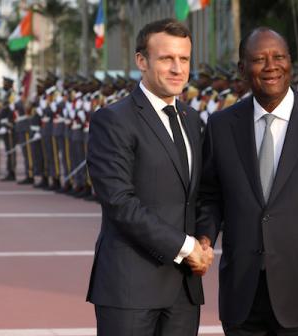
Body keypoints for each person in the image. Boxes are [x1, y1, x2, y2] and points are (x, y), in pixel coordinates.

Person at [197, 27, 298, 335]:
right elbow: (211, 195)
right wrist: (204, 237)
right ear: (242, 68)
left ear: (291, 62)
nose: (271, 66)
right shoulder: (221, 125)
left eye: (279, 57)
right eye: (259, 59)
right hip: (242, 294)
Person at [86, 18, 213, 336]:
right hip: (131, 288)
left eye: (184, 59)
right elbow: (119, 203)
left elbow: (199, 193)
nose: (177, 69)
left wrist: (206, 241)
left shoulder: (191, 119)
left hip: (184, 291)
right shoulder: (113, 120)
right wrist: (185, 246)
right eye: (166, 58)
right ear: (141, 61)